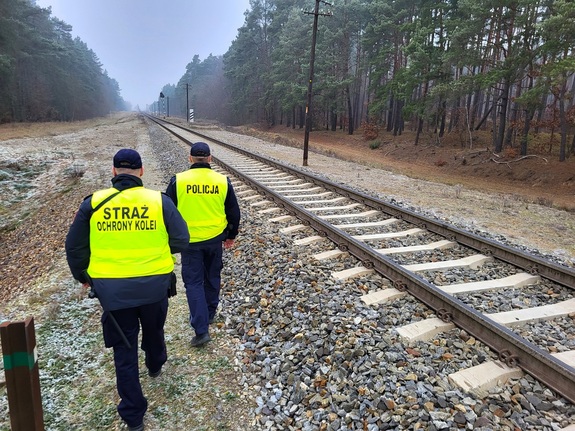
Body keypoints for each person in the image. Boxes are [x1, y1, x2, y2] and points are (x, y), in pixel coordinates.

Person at [65, 148, 189, 431]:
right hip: (155, 286)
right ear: (141, 171)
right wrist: (157, 250)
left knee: (124, 349)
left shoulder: (93, 204)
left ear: (113, 171)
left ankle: (133, 415)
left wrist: (83, 276)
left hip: (113, 292)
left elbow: (74, 247)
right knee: (154, 329)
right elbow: (182, 239)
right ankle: (155, 363)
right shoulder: (159, 201)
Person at [165, 141, 240, 347]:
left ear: (190, 158)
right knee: (212, 276)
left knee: (194, 283)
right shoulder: (222, 181)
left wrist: (172, 238)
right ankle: (210, 312)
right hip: (214, 239)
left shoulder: (178, 181)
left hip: (190, 242)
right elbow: (233, 212)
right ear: (210, 159)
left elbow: (168, 212)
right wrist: (231, 235)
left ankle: (201, 329)